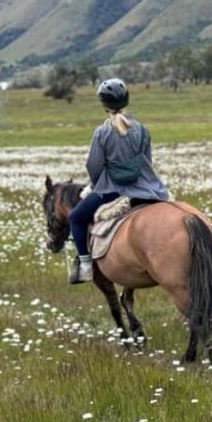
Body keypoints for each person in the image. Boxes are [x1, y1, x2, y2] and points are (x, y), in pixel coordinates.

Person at [68, 78, 169, 284]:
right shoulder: (142, 129)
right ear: (126, 100)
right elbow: (146, 161)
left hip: (113, 191)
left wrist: (97, 186)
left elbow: (93, 166)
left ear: (103, 104)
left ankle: (86, 265)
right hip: (147, 189)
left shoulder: (102, 132)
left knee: (76, 218)